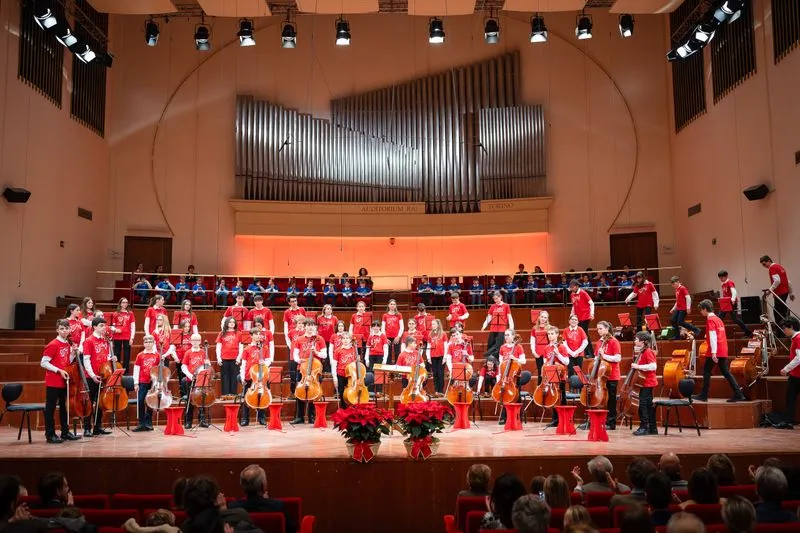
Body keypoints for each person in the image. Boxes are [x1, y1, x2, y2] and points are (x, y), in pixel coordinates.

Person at [692, 300, 746, 402]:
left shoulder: (710, 320)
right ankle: (738, 393)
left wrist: (713, 352)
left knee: (707, 371)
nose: (701, 312)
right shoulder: (718, 319)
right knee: (726, 372)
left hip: (715, 349)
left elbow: (713, 336)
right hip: (723, 348)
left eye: (701, 310)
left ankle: (703, 395)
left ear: (704, 309)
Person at [40, 320, 81, 444]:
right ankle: (50, 434)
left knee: (64, 408)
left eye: (66, 328)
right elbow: (43, 363)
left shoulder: (67, 344)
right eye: (62, 329)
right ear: (57, 330)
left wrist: (74, 353)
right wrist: (58, 371)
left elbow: (66, 360)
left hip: (65, 381)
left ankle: (65, 432)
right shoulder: (53, 344)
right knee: (50, 408)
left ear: (69, 330)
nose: (64, 331)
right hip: (53, 381)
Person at [228, 465, 296, 533]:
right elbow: (291, 530)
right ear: (263, 485)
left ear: (242, 485)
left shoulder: (233, 508)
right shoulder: (277, 506)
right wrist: (268, 502)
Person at [81, 317, 113, 437]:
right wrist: (92, 375)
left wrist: (111, 358)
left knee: (100, 402)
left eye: (104, 325)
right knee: (89, 403)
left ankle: (97, 426)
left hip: (103, 376)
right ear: (94, 327)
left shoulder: (105, 340)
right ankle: (87, 428)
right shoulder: (89, 341)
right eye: (101, 325)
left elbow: (106, 357)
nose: (104, 327)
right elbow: (86, 360)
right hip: (92, 377)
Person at [291, 319, 327, 424]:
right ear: (305, 327)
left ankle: (312, 416)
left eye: (312, 325)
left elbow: (324, 355)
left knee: (314, 392)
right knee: (299, 392)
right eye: (308, 325)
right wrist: (298, 360)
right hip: (302, 369)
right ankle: (300, 417)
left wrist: (316, 352)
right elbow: (295, 354)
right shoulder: (299, 339)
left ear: (315, 327)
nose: (310, 327)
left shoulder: (319, 339)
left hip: (315, 370)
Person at [238, 330, 273, 426]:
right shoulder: (247, 349)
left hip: (262, 376)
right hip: (250, 375)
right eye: (256, 334)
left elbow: (269, 360)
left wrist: (264, 363)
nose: (258, 336)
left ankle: (262, 417)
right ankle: (245, 418)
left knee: (263, 396)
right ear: (251, 336)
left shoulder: (265, 347)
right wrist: (242, 376)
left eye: (259, 334)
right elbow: (243, 364)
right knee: (246, 397)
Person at [132, 335, 164, 432]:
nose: (148, 344)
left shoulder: (157, 355)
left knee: (151, 402)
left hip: (153, 382)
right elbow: (136, 369)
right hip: (142, 381)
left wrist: (160, 383)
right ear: (144, 344)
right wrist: (136, 383)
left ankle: (148, 422)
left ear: (153, 343)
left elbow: (160, 370)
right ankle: (141, 423)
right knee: (141, 401)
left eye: (150, 342)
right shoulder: (140, 355)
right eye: (146, 342)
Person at [594, 321, 621, 430]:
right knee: (602, 399)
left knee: (611, 400)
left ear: (607, 329)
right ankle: (600, 420)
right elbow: (596, 357)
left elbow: (617, 358)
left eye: (600, 328)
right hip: (601, 374)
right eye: (597, 329)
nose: (598, 330)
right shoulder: (599, 342)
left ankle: (611, 423)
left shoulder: (614, 341)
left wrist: (604, 355)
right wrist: (597, 359)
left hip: (612, 375)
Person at [181, 334, 212, 429]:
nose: (195, 342)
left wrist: (208, 364)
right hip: (191, 379)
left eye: (197, 340)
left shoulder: (203, 352)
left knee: (202, 399)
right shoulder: (188, 352)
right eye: (193, 340)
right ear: (190, 341)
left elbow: (208, 365)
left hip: (201, 379)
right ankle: (188, 421)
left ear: (200, 341)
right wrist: (190, 375)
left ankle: (202, 420)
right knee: (190, 400)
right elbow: (183, 366)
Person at [630, 331, 658, 436]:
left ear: (642, 341)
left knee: (643, 405)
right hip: (644, 382)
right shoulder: (643, 351)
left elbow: (653, 366)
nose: (635, 341)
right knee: (648, 405)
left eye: (636, 339)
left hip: (648, 382)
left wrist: (638, 367)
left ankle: (644, 427)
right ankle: (652, 428)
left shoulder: (648, 351)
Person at [496, 329, 526, 425]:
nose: (506, 337)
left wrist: (515, 359)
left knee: (516, 396)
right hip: (505, 375)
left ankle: (518, 417)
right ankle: (505, 417)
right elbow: (501, 362)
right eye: (505, 335)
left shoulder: (518, 347)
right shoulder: (502, 347)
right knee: (505, 395)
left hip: (515, 375)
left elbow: (523, 361)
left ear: (513, 336)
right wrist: (500, 374)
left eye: (508, 335)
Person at [543, 326, 569, 428]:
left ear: (557, 335)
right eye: (548, 334)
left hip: (560, 376)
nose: (550, 336)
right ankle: (555, 420)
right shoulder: (546, 348)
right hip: (550, 376)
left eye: (552, 334)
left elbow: (567, 362)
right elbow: (545, 362)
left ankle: (564, 419)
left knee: (561, 398)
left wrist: (558, 354)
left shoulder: (561, 347)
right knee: (553, 397)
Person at [760, 255, 794, 324]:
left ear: (769, 261)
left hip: (780, 293)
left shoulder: (772, 267)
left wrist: (769, 291)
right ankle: (787, 329)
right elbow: (788, 281)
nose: (764, 266)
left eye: (764, 264)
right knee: (783, 311)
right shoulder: (779, 266)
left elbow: (777, 281)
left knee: (778, 313)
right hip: (785, 292)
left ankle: (781, 332)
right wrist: (791, 293)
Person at [717, 270, 752, 337]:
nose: (721, 279)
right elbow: (725, 294)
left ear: (726, 276)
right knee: (719, 318)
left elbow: (734, 292)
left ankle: (748, 332)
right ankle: (718, 333)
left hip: (731, 303)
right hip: (726, 303)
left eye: (722, 277)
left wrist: (733, 299)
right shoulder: (723, 284)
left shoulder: (730, 282)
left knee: (735, 319)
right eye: (720, 278)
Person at [779, 317, 800, 425]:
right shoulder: (796, 338)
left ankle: (788, 421)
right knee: (790, 397)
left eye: (784, 328)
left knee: (790, 398)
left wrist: (786, 369)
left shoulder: (798, 338)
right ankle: (788, 421)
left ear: (791, 327)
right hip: (795, 374)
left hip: (797, 374)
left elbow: (799, 358)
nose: (784, 331)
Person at [481, 292, 514, 359]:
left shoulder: (506, 306)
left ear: (501, 297)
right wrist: (484, 326)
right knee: (490, 344)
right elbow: (489, 317)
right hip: (493, 328)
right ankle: (489, 359)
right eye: (494, 299)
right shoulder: (492, 306)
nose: (496, 300)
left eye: (497, 298)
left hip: (502, 328)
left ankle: (488, 354)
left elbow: (509, 317)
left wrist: (511, 328)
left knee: (499, 344)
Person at [216, 318, 243, 397]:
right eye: (230, 322)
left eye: (233, 322)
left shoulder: (239, 333)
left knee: (234, 377)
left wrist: (239, 357)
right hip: (224, 358)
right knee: (225, 377)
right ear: (226, 323)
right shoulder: (222, 333)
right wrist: (219, 358)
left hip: (235, 359)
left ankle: (233, 395)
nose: (232, 323)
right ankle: (225, 395)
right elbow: (218, 346)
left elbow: (241, 347)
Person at [331, 332, 359, 409]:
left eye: (347, 338)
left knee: (352, 391)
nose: (345, 340)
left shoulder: (353, 349)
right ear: (341, 340)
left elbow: (356, 363)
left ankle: (352, 408)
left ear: (350, 340)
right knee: (342, 392)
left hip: (351, 375)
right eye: (344, 338)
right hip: (341, 374)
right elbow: (334, 365)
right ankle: (343, 409)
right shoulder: (338, 350)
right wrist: (335, 378)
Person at [109, 298, 136, 374]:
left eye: (126, 302)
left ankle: (126, 372)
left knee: (127, 355)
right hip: (117, 337)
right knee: (117, 354)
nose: (125, 304)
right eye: (123, 302)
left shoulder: (130, 313)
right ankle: (117, 370)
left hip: (127, 337)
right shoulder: (115, 313)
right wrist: (115, 330)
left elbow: (133, 326)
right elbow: (112, 326)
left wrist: (132, 337)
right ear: (120, 303)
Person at [569, 280, 595, 357]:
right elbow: (574, 305)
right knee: (581, 335)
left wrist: (592, 313)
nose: (571, 288)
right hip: (578, 317)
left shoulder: (583, 293)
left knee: (585, 334)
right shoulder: (572, 295)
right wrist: (571, 314)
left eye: (572, 287)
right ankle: (586, 353)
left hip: (585, 316)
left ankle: (591, 353)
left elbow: (591, 303)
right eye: (570, 287)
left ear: (577, 286)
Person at [529, 311, 550, 383]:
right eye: (542, 317)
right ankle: (539, 388)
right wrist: (533, 352)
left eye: (545, 317)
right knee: (540, 372)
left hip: (547, 353)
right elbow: (532, 341)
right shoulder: (534, 328)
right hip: (538, 353)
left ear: (547, 319)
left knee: (547, 371)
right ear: (539, 317)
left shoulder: (549, 328)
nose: (543, 319)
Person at [426, 319, 446, 396]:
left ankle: (441, 391)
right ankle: (436, 390)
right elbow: (429, 346)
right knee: (435, 374)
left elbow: (445, 346)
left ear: (438, 324)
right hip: (433, 356)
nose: (432, 325)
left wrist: (445, 357)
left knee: (440, 373)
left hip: (441, 356)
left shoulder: (443, 334)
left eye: (434, 324)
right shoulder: (430, 334)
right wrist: (428, 357)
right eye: (432, 324)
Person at [315, 304, 337, 373]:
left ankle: (328, 369)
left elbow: (337, 328)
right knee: (321, 354)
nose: (329, 310)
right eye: (327, 309)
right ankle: (320, 368)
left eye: (330, 309)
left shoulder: (334, 318)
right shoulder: (319, 318)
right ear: (324, 310)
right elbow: (316, 327)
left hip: (330, 339)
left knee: (329, 354)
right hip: (321, 340)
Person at [381, 300, 404, 364]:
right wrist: (385, 338)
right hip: (387, 337)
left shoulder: (399, 315)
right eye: (391, 304)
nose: (392, 305)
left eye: (394, 304)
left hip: (397, 337)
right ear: (388, 305)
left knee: (397, 353)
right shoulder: (385, 315)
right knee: (388, 353)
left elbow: (402, 327)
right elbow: (382, 328)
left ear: (395, 305)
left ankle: (397, 369)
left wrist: (398, 336)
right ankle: (389, 370)